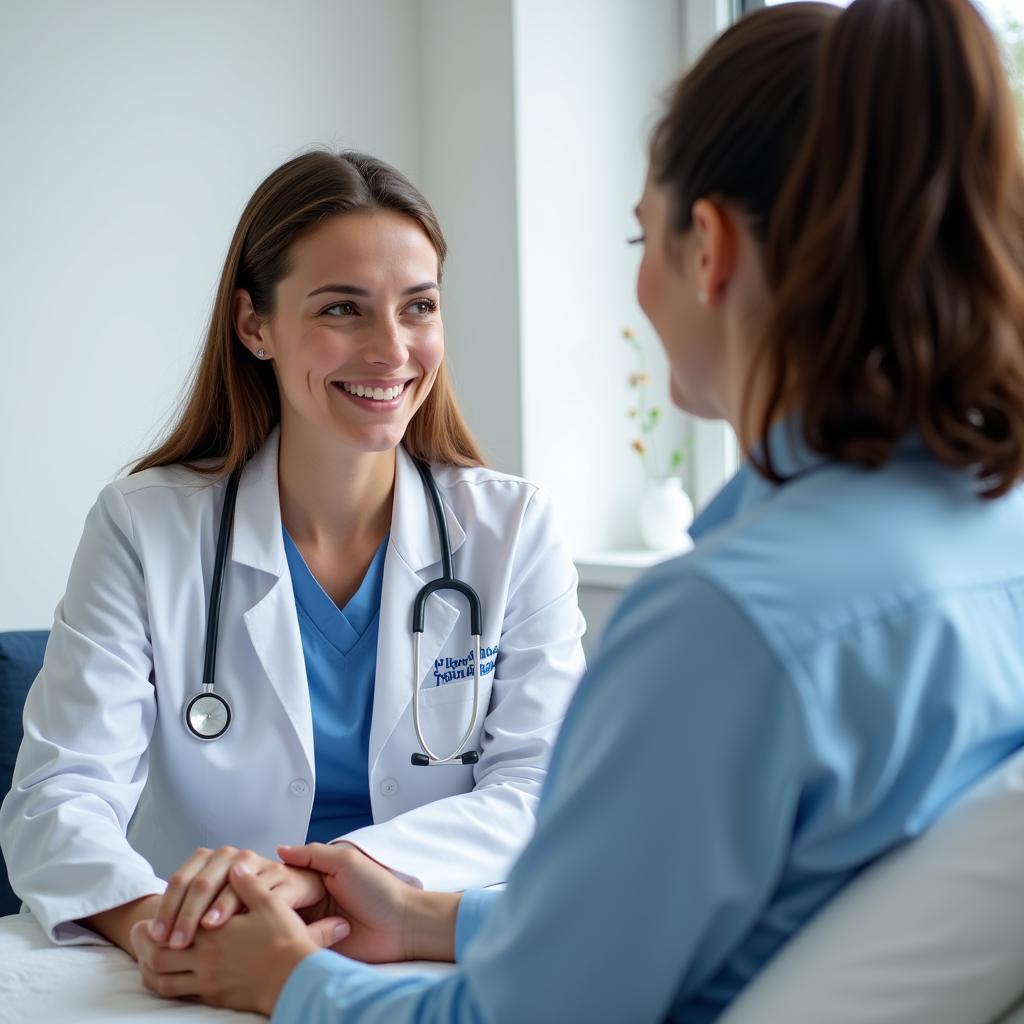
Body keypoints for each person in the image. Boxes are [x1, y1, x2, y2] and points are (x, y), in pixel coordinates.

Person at [128, 0, 1024, 1019]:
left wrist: (289, 980)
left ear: (711, 248)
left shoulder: (724, 626)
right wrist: (432, 919)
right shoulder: (997, 539)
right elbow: (734, 908)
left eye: (644, 233)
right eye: (341, 306)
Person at [0, 151, 586, 957]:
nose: (391, 349)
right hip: (206, 944)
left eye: (418, 308)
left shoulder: (513, 529)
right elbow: (58, 797)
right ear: (254, 326)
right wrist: (165, 933)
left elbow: (540, 789)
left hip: (422, 947)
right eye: (343, 309)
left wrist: (332, 872)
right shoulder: (145, 527)